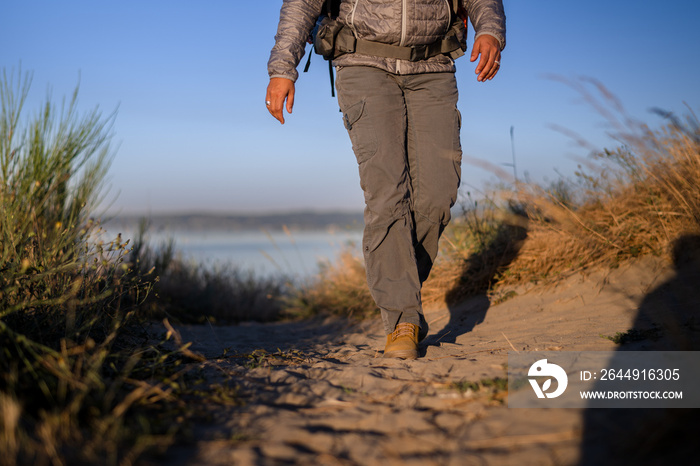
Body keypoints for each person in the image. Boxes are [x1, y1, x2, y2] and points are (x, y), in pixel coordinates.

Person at [266, 0, 506, 359]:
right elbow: (301, 4)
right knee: (387, 194)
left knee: (437, 196)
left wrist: (490, 31)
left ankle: (399, 285)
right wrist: (283, 67)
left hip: (434, 67)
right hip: (364, 64)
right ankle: (401, 320)